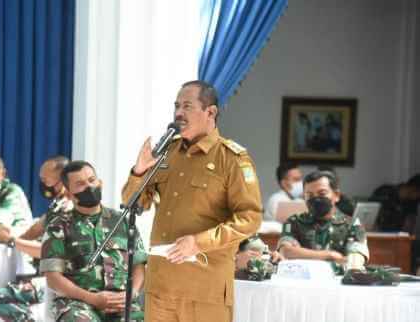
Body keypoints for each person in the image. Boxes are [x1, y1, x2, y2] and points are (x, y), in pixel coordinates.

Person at [121, 80, 262, 322]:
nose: (178, 113)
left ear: (211, 112)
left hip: (204, 289)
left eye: (187, 106)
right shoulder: (166, 152)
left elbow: (249, 219)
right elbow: (134, 205)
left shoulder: (232, 159)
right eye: (176, 106)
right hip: (161, 287)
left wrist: (199, 242)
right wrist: (139, 172)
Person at [40, 160, 147, 321]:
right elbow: (53, 278)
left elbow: (139, 265)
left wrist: (132, 294)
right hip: (78, 303)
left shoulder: (122, 221)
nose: (89, 187)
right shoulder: (58, 226)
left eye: (91, 180)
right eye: (80, 184)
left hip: (120, 303)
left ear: (100, 183)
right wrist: (92, 298)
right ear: (69, 193)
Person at [0, 156, 71, 322]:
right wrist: (5, 233)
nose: (42, 184)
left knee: (3, 299)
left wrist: (10, 239)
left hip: (62, 279)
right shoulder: (57, 205)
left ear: (61, 179)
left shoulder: (68, 208)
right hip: (46, 275)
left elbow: (47, 252)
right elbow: (34, 230)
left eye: (45, 179)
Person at [277, 170, 369, 273]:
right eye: (310, 195)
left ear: (337, 195)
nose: (316, 199)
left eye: (322, 193)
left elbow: (355, 257)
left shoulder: (352, 224)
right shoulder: (294, 222)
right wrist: (330, 255)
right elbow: (286, 251)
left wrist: (302, 253)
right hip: (303, 281)